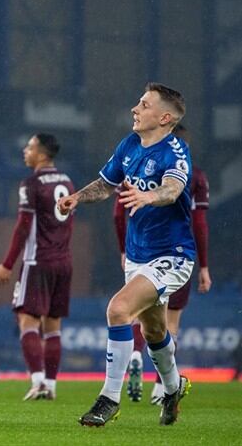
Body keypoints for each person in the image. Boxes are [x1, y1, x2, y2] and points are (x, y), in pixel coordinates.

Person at [58, 83, 195, 427]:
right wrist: (77, 197)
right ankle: (174, 386)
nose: (135, 108)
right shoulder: (130, 144)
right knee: (153, 331)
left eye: (144, 104)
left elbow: (173, 188)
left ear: (164, 118)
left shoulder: (175, 151)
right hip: (138, 255)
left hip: (172, 255)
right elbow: (106, 184)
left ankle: (109, 398)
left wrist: (150, 197)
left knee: (118, 310)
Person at [114, 123, 212, 404]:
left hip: (139, 251)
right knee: (170, 324)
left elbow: (118, 214)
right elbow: (200, 223)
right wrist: (203, 266)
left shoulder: (137, 164)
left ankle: (135, 353)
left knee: (137, 312)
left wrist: (123, 249)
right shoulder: (195, 176)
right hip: (175, 253)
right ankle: (163, 387)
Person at [0, 133, 74, 401]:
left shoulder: (32, 184)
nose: (25, 151)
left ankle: (37, 382)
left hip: (37, 261)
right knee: (53, 326)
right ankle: (50, 384)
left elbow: (24, 226)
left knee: (27, 321)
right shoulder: (67, 181)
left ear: (42, 153)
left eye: (30, 147)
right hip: (63, 261)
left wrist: (7, 264)